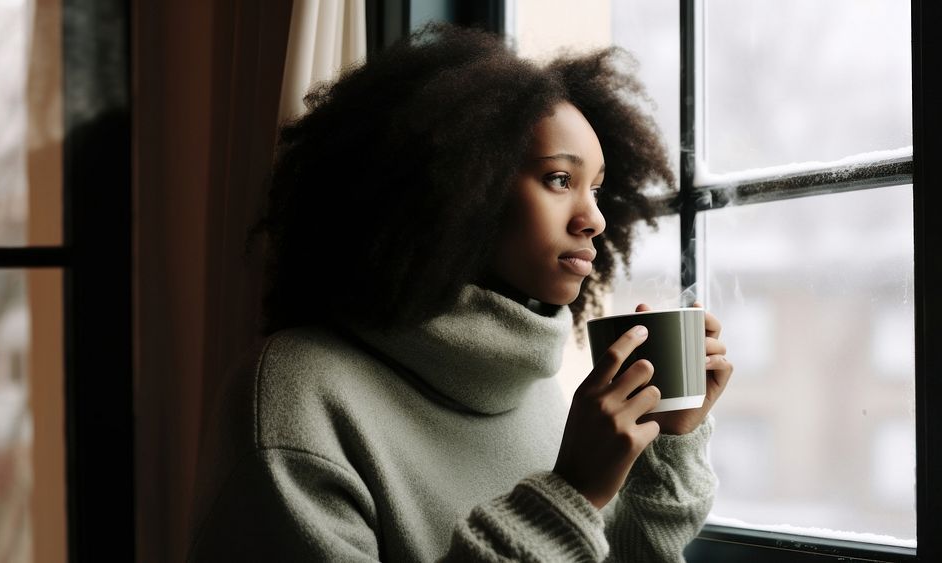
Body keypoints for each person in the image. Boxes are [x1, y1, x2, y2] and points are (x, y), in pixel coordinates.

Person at [188, 23, 733, 562]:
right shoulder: (294, 393)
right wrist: (571, 494)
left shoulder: (535, 389)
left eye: (596, 189)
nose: (593, 219)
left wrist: (669, 443)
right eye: (560, 180)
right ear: (458, 186)